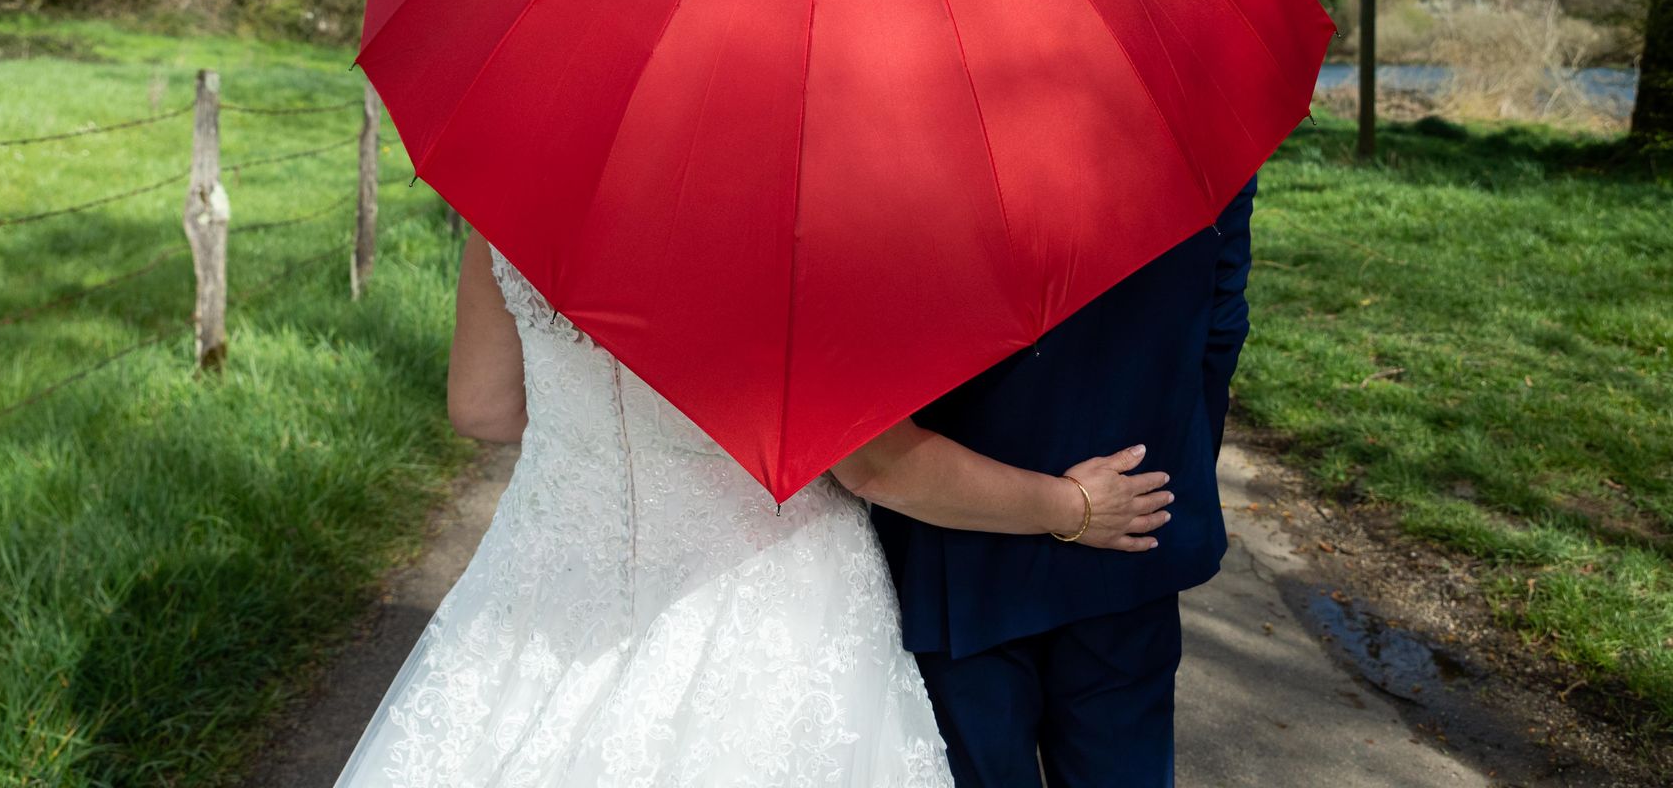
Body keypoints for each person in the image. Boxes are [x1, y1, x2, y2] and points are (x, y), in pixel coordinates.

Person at [329, 229, 1174, 788]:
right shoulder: (786, 228)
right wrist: (1070, 507)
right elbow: (876, 467)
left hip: (545, 577)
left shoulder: (513, 206)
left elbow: (482, 408)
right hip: (756, 605)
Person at [870, 174, 1259, 788]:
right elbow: (1220, 319)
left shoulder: (900, 127)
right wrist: (1163, 482)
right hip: (1128, 518)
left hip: (963, 540)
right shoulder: (1187, 102)